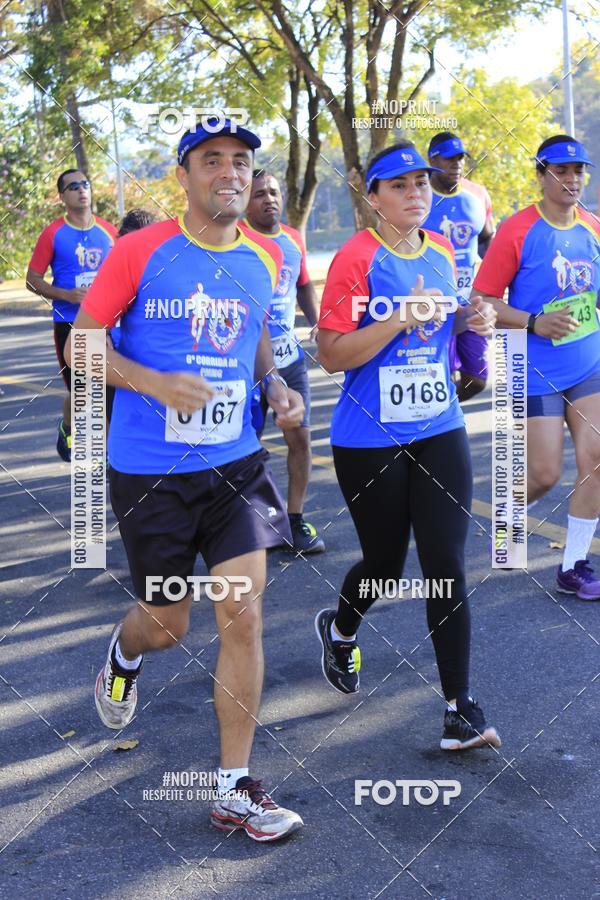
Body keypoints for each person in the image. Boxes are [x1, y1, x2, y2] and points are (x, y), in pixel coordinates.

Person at [65, 119, 305, 840]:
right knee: (168, 626)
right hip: (151, 474)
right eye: (212, 161)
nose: (229, 172)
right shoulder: (140, 251)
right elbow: (83, 344)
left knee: (245, 613)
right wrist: (151, 382)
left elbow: (255, 328)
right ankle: (123, 652)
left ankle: (235, 786)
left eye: (241, 161)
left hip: (235, 463)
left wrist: (274, 385)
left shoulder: (266, 255)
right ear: (184, 175)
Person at [314, 140, 500, 751]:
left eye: (420, 182)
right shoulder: (355, 258)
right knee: (386, 565)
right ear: (373, 200)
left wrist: (473, 323)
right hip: (369, 436)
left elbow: (446, 332)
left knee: (445, 563)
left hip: (440, 426)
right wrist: (397, 317)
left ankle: (459, 708)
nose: (415, 191)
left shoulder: (444, 251)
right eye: (398, 185)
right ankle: (341, 631)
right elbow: (332, 354)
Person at [474, 134, 600, 600]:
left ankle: (574, 566)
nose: (571, 179)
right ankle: (507, 519)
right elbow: (482, 299)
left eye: (578, 171)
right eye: (560, 171)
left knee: (597, 461)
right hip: (532, 365)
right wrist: (533, 321)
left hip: (589, 361)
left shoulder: (592, 226)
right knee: (545, 474)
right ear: (542, 174)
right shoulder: (517, 229)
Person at [243, 170, 325, 553]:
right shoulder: (238, 240)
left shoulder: (293, 239)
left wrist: (319, 323)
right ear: (245, 200)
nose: (268, 199)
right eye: (259, 194)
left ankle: (295, 520)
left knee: (301, 438)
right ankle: (250, 522)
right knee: (246, 447)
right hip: (246, 363)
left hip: (289, 357)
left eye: (273, 192)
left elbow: (304, 284)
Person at [26, 170, 117, 461]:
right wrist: (66, 295)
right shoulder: (53, 233)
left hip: (105, 324)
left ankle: (112, 459)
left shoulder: (108, 231)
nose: (81, 190)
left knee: (109, 392)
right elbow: (32, 279)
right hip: (71, 323)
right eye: (73, 186)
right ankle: (68, 424)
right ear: (63, 196)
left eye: (85, 184)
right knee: (83, 393)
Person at [424, 132, 495, 401]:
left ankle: (441, 410)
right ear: (432, 160)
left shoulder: (477, 195)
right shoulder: (419, 197)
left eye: (460, 159)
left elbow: (487, 240)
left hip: (469, 304)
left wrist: (496, 282)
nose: (457, 164)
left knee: (477, 379)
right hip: (430, 307)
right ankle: (439, 427)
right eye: (449, 159)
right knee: (438, 375)